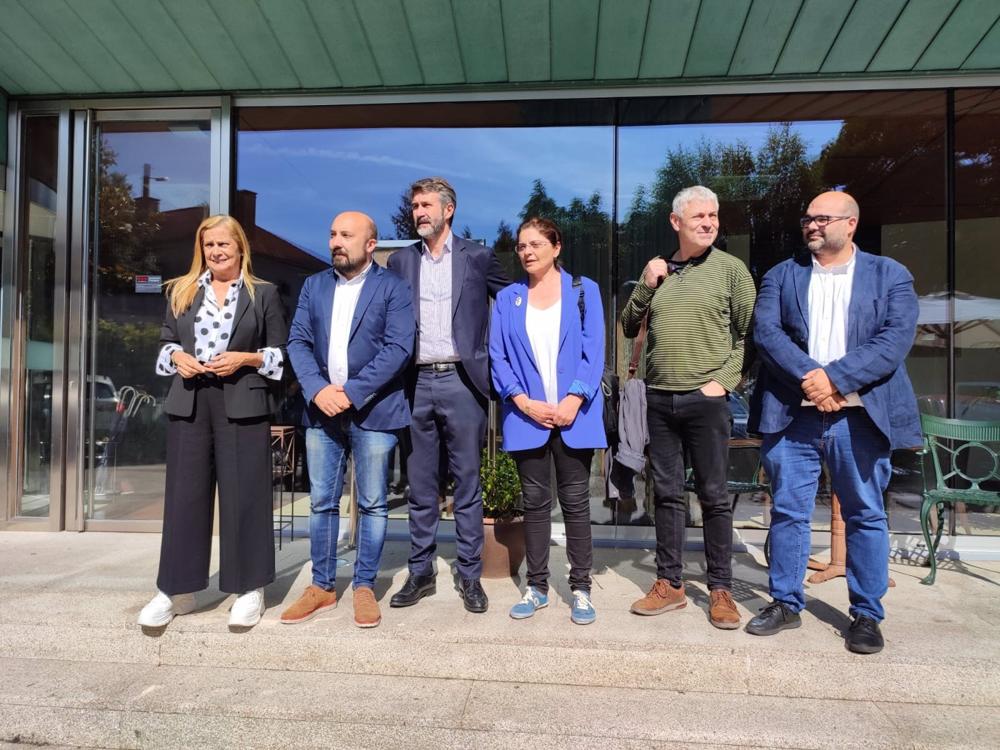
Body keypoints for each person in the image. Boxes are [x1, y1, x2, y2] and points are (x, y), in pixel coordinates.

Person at [747, 191, 921, 654]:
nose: (811, 226)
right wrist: (814, 381)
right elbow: (766, 334)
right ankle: (785, 602)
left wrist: (836, 379)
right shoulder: (782, 276)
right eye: (807, 218)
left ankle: (866, 613)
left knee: (866, 513)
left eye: (822, 218)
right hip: (792, 417)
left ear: (851, 223)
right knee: (788, 511)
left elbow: (894, 341)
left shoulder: (890, 276)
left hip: (861, 418)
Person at [138, 215, 287, 629]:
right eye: (209, 246)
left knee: (246, 497)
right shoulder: (181, 291)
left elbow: (281, 354)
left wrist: (247, 358)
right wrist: (177, 357)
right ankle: (175, 590)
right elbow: (166, 342)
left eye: (224, 244)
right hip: (190, 401)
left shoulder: (264, 295)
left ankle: (249, 588)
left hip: (242, 401)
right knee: (184, 499)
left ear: (240, 247)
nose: (216, 252)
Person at [621, 185, 756, 629]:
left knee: (715, 497)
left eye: (714, 215)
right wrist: (646, 283)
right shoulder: (659, 270)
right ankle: (671, 584)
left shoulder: (732, 271)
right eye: (699, 216)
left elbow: (745, 335)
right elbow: (626, 326)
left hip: (707, 399)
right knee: (667, 495)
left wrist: (724, 382)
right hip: (660, 398)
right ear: (676, 222)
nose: (709, 223)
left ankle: (721, 590)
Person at [280, 212, 415, 629]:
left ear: (370, 244)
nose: (336, 241)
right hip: (321, 411)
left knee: (373, 503)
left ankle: (363, 586)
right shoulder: (314, 285)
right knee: (322, 501)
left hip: (375, 411)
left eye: (346, 235)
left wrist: (352, 392)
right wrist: (318, 389)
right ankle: (321, 586)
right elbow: (297, 341)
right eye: (333, 234)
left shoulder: (393, 288)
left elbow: (398, 349)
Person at [387, 177, 511, 613]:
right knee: (419, 486)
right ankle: (421, 572)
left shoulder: (477, 257)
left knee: (467, 484)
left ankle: (470, 575)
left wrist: (500, 364)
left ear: (448, 209)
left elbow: (514, 302)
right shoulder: (401, 262)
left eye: (426, 205)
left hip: (463, 381)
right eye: (415, 206)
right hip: (415, 382)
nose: (419, 212)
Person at [489, 218, 606, 624]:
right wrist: (523, 402)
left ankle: (581, 588)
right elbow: (498, 357)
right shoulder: (508, 299)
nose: (527, 252)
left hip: (576, 415)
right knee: (535, 505)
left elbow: (595, 352)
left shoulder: (583, 291)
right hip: (528, 417)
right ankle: (536, 587)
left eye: (536, 243)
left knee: (575, 503)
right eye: (521, 246)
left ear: (557, 247)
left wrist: (574, 399)